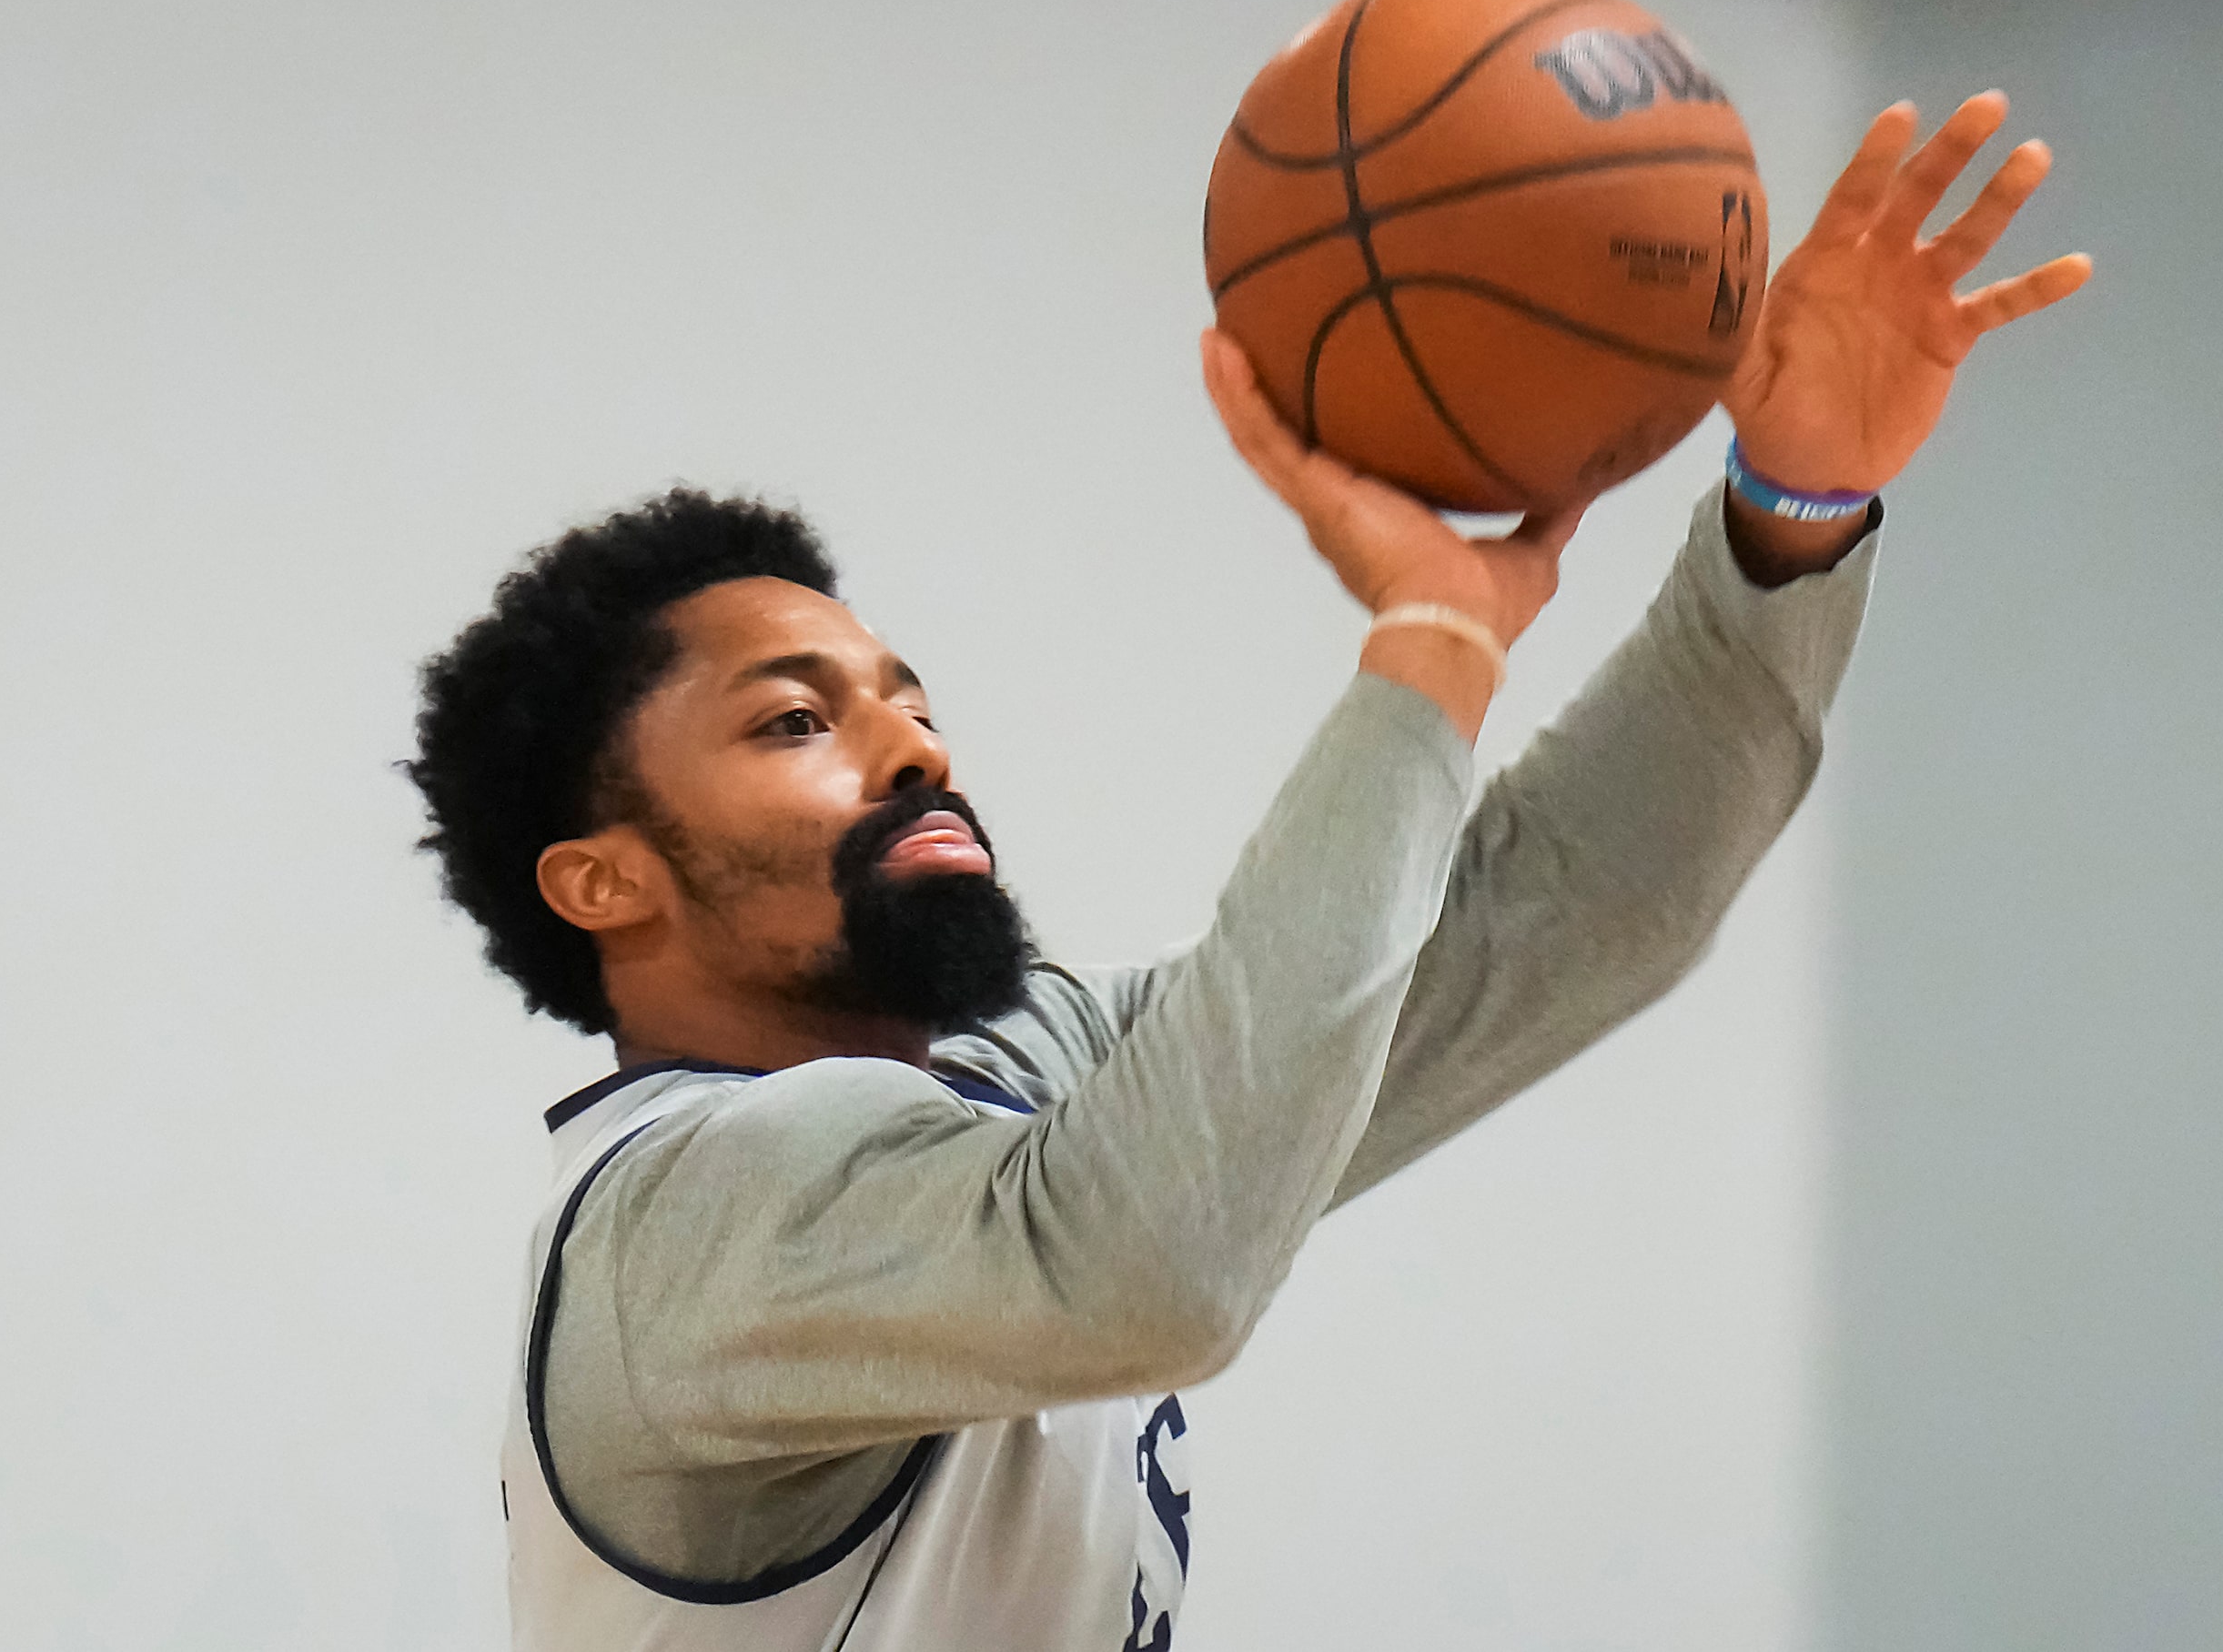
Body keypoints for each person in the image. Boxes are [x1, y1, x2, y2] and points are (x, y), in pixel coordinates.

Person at [406, 92, 2088, 1652]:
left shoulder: (1024, 1089)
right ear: (601, 881)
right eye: (795, 720)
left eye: (914, 701)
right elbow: (1153, 1271)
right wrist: (1427, 647)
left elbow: (1570, 911)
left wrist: (1793, 502)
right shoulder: (676, 1220)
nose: (915, 748)